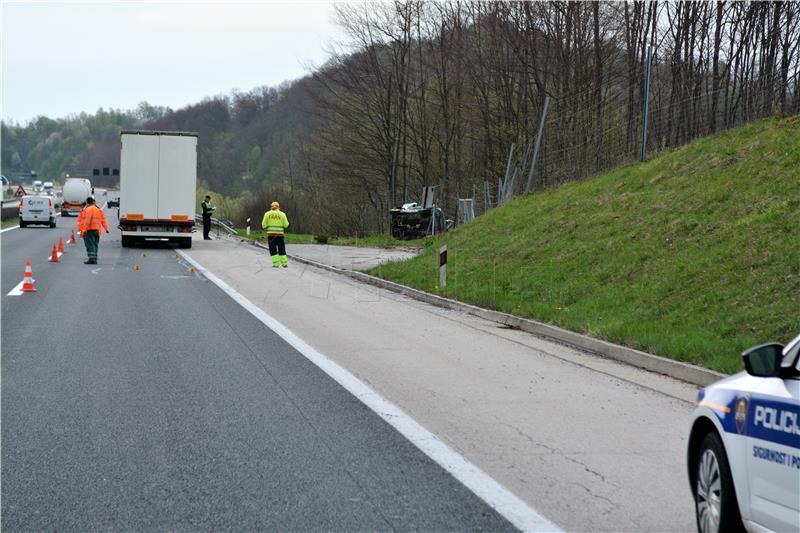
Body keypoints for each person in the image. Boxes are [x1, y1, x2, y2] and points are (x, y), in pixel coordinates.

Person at [76, 196, 110, 264]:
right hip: (97, 230)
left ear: (87, 202)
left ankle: (92, 260)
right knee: (95, 244)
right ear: (93, 202)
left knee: (90, 245)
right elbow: (103, 220)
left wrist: (83, 230)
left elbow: (87, 221)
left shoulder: (88, 210)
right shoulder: (98, 209)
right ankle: (94, 258)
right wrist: (106, 229)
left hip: (90, 230)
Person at [262, 201, 289, 268]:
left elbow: (263, 225)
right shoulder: (282, 214)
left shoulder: (267, 214)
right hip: (280, 235)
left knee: (273, 250)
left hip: (271, 235)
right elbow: (286, 225)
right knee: (281, 249)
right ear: (278, 207)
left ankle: (276, 264)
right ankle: (284, 264)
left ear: (271, 207)